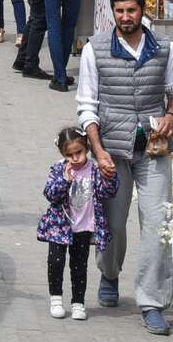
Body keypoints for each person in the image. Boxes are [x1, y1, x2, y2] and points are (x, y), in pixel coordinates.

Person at [77, 0, 173, 335]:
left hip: (153, 147)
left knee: (157, 224)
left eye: (132, 11)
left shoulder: (165, 48)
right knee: (114, 221)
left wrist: (171, 116)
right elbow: (87, 104)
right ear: (113, 13)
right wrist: (99, 150)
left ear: (143, 10)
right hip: (112, 148)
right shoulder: (95, 49)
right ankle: (109, 273)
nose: (126, 17)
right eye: (120, 12)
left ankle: (152, 302)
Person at [38, 126, 118, 322]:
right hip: (60, 226)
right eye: (70, 154)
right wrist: (65, 180)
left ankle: (78, 303)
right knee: (55, 262)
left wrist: (111, 175)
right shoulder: (59, 168)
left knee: (79, 266)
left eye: (79, 152)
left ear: (87, 149)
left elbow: (108, 192)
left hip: (84, 226)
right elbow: (50, 194)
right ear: (63, 154)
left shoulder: (94, 169)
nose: (75, 158)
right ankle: (56, 299)